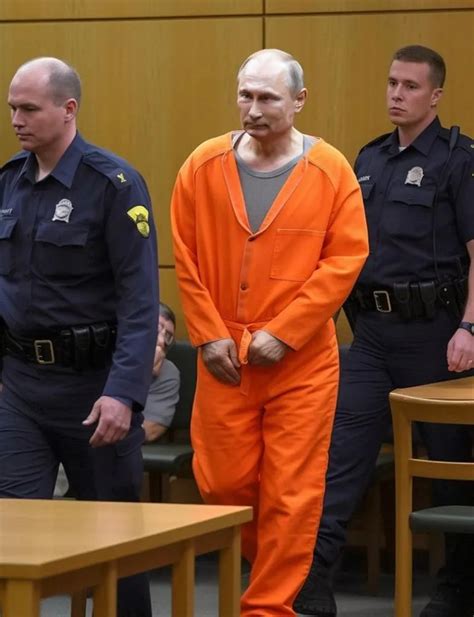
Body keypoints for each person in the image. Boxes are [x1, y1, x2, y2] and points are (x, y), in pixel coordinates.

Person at [171, 48, 368, 617]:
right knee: (222, 484)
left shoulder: (331, 171)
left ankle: (268, 607)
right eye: (245, 95)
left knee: (291, 493)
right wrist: (207, 334)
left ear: (299, 101)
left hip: (300, 361)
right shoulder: (202, 165)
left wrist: (286, 331)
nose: (253, 109)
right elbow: (184, 255)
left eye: (267, 98)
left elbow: (346, 260)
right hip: (222, 355)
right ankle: (275, 571)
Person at [294, 45, 474, 617]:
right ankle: (313, 582)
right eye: (393, 83)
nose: (397, 94)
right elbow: (343, 250)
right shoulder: (368, 159)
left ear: (435, 95)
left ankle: (457, 588)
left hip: (438, 337)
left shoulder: (459, 159)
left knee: (451, 470)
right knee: (340, 459)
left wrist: (470, 326)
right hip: (371, 337)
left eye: (411, 86)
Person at [0, 57, 159, 617]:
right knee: (13, 529)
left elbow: (140, 302)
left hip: (95, 388)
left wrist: (124, 394)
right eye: (12, 108)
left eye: (29, 109)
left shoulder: (113, 185)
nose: (16, 120)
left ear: (68, 109)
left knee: (114, 537)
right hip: (21, 387)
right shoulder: (8, 183)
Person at [142, 302, 180, 442]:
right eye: (156, 330)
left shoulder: (168, 371)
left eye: (168, 336)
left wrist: (144, 373)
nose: (161, 341)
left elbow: (150, 430)